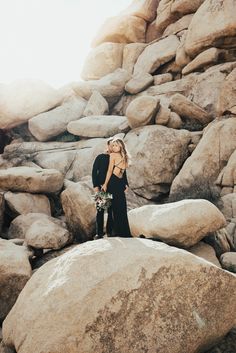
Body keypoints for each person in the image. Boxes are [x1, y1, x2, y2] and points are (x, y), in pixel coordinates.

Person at [102, 138, 131, 237]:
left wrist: (125, 184)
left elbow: (123, 172)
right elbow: (109, 171)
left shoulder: (125, 157)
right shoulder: (112, 155)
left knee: (122, 206)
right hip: (112, 182)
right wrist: (105, 184)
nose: (114, 147)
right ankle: (115, 232)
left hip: (119, 183)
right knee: (114, 207)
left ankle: (124, 232)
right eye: (113, 145)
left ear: (121, 146)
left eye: (116, 145)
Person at [92, 138, 113, 239]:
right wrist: (95, 186)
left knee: (111, 210)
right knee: (100, 210)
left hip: (113, 187)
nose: (112, 147)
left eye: (114, 145)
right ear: (108, 146)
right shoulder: (100, 157)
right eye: (111, 145)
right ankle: (99, 233)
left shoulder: (116, 158)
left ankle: (110, 232)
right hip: (101, 187)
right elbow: (94, 172)